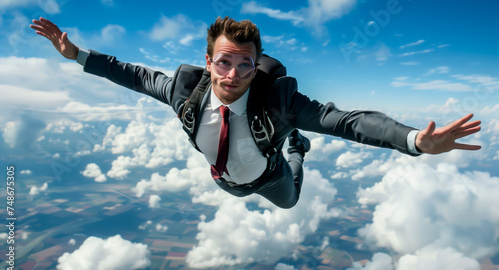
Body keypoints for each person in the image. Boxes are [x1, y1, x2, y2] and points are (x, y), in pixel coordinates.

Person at [30, 17, 481, 209]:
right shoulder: (184, 94)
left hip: (271, 178)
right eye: (224, 61)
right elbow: (130, 73)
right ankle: (283, 149)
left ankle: (295, 149)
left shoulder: (279, 101)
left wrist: (415, 142)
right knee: (236, 188)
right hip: (225, 182)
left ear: (254, 65)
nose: (233, 73)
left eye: (244, 63)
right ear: (208, 63)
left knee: (292, 199)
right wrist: (76, 55)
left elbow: (345, 121)